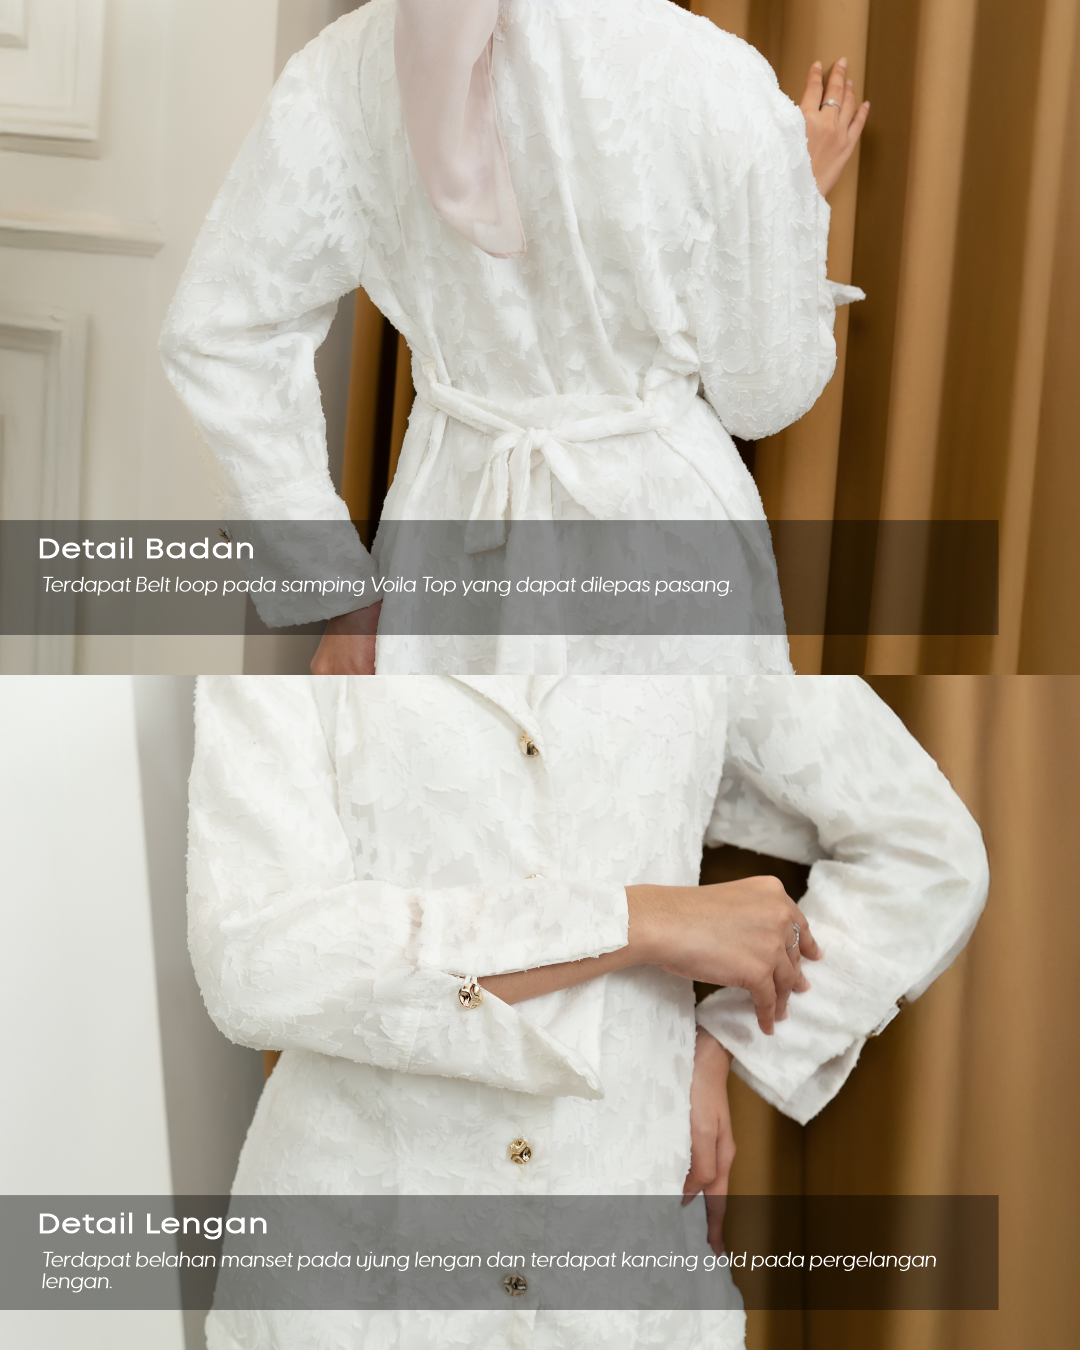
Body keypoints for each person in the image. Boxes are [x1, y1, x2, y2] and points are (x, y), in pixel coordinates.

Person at [188, 672, 987, 1350]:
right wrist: (639, 921)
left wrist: (726, 1043)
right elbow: (256, 965)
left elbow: (927, 853)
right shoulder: (317, 646)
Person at [160, 0, 869, 676]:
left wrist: (333, 589)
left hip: (450, 534)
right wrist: (792, 199)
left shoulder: (347, 65)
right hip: (667, 547)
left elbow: (220, 333)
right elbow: (763, 393)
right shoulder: (713, 74)